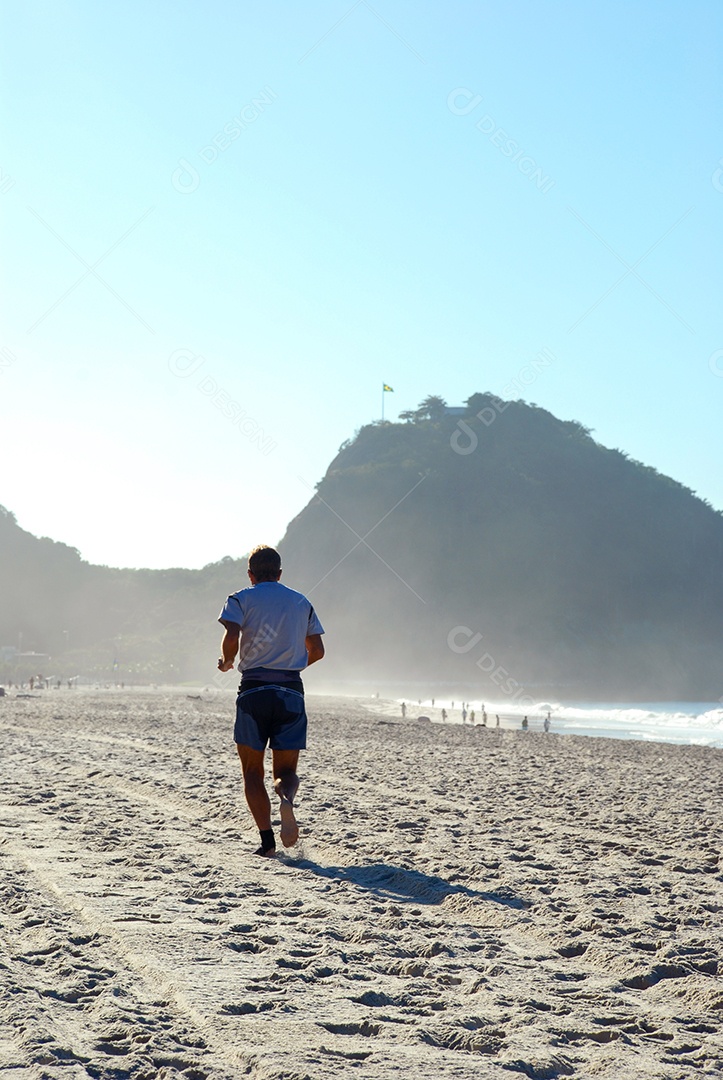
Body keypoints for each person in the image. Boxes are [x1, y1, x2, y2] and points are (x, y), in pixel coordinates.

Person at [217, 545, 325, 857]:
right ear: (279, 574)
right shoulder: (301, 601)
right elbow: (317, 651)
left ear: (250, 575)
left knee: (252, 772)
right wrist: (290, 666)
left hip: (253, 691)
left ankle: (266, 840)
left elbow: (232, 634)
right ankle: (286, 799)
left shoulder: (240, 598)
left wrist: (227, 661)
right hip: (290, 691)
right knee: (286, 772)